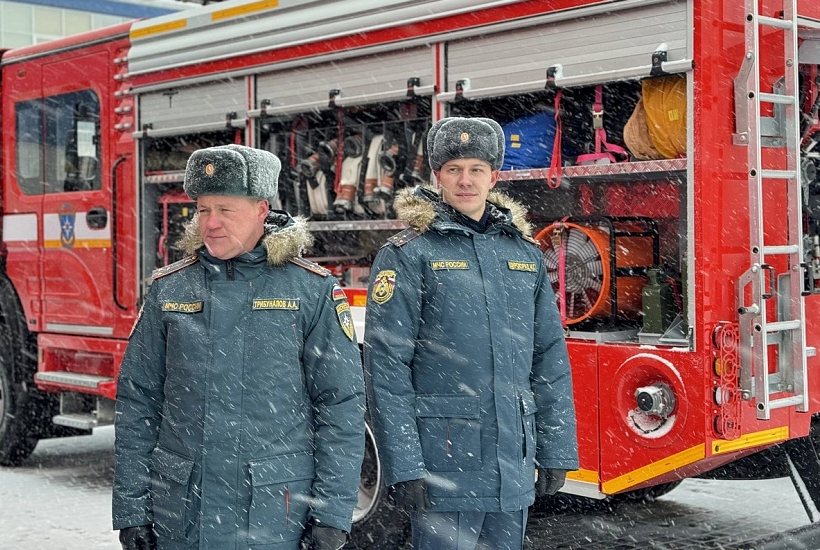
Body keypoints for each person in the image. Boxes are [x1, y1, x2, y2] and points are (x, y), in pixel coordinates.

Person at [113, 144, 365, 550]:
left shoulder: (310, 290)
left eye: (225, 210)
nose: (210, 223)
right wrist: (132, 510)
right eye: (203, 210)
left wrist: (332, 514)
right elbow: (138, 402)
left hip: (274, 515)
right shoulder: (169, 289)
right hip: (181, 516)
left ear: (261, 210)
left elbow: (340, 406)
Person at [363, 117, 579, 550]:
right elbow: (386, 368)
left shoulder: (524, 255)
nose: (466, 180)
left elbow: (549, 358)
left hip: (511, 465)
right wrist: (403, 465)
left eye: (476, 169)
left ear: (493, 177)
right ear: (437, 176)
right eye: (454, 169)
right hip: (444, 464)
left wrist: (556, 449)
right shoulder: (409, 254)